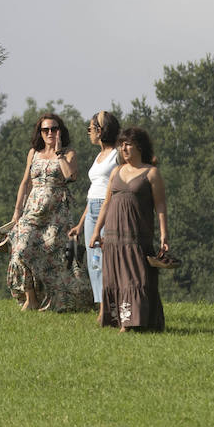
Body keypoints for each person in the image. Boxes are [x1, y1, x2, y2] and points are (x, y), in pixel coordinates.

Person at [89, 126, 168, 331]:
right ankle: (121, 321)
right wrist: (97, 231)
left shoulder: (151, 173)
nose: (123, 148)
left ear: (139, 146)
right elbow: (106, 203)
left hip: (136, 237)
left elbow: (160, 206)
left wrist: (164, 235)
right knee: (115, 279)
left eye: (128, 144)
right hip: (113, 237)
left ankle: (136, 322)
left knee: (135, 279)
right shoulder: (116, 171)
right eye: (121, 144)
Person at [6, 112, 80, 311]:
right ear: (40, 132)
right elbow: (25, 183)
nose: (50, 133)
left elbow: (70, 176)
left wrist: (58, 154)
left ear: (60, 131)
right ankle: (31, 298)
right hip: (32, 211)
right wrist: (16, 213)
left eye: (54, 129)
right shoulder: (33, 153)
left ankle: (56, 301)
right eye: (45, 129)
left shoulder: (68, 153)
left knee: (53, 257)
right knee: (20, 250)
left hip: (57, 213)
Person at [68, 111, 120, 307]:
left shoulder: (117, 155)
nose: (88, 132)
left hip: (109, 210)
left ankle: (112, 302)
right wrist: (81, 225)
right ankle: (101, 305)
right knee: (94, 261)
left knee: (107, 258)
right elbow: (93, 192)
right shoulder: (99, 155)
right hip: (92, 210)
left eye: (90, 128)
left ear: (101, 130)